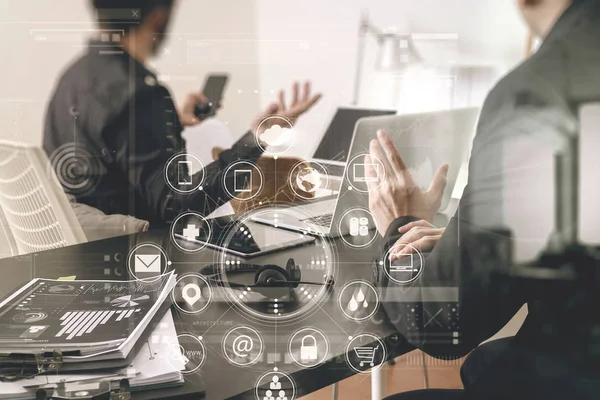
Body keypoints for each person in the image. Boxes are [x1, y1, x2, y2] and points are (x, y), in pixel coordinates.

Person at [367, 0, 600, 398]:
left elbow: (440, 322)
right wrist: (472, 242)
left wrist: (398, 227)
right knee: (487, 362)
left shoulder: (538, 93)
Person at [43, 0, 321, 228]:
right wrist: (258, 138)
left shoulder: (72, 78)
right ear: (158, 19)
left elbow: (110, 152)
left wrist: (167, 121)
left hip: (85, 254)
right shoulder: (139, 93)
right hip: (142, 263)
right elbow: (177, 206)